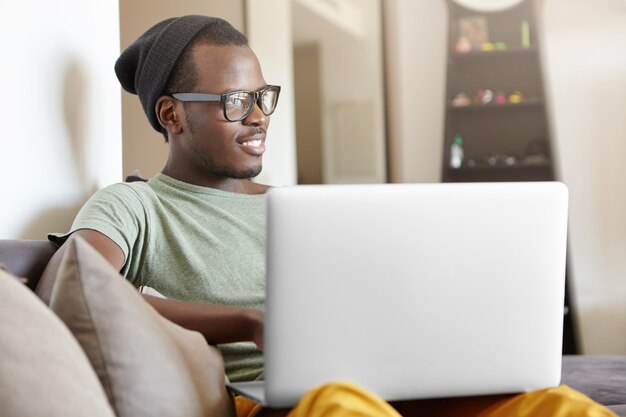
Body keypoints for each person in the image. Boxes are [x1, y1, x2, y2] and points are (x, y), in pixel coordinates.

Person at [37, 15, 617, 417]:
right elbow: (81, 283)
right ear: (171, 114)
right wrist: (242, 320)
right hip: (279, 400)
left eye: (263, 97)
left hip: (391, 379)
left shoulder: (303, 210)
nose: (259, 118)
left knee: (555, 405)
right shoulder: (136, 205)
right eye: (237, 102)